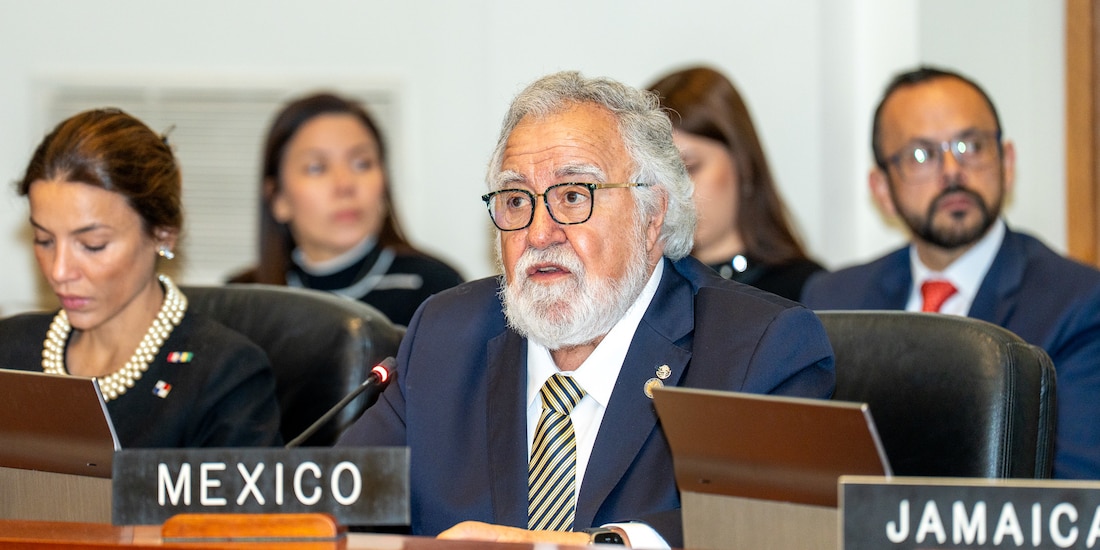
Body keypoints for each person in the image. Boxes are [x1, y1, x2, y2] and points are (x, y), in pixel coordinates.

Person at [338, 71, 835, 548]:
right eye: (515, 201)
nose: (538, 233)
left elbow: (789, 527)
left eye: (574, 196)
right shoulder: (446, 336)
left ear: (652, 214)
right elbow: (332, 506)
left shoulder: (758, 348)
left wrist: (597, 547)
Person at [801, 66, 1100, 479]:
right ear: (883, 190)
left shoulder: (1078, 303)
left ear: (1007, 163)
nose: (952, 171)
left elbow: (1074, 491)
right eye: (921, 155)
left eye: (971, 146)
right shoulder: (832, 300)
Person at [0, 108, 283, 448]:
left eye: (93, 245)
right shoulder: (10, 352)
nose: (59, 270)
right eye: (44, 240)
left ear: (163, 234)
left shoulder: (225, 378)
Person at [229, 92, 463, 326]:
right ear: (277, 198)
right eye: (316, 168)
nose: (345, 185)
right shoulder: (242, 299)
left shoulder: (436, 291)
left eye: (362, 163)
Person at [646, 66, 823, 300]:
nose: (673, 190)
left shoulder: (810, 292)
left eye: (689, 167)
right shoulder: (637, 295)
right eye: (656, 176)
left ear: (744, 165)